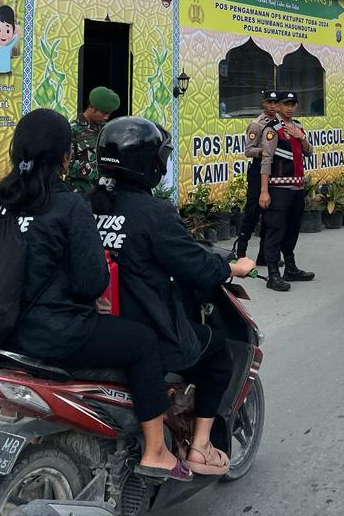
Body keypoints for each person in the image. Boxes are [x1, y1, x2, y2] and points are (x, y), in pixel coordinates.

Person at [0, 108, 192, 482]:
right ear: (65, 157)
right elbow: (92, 283)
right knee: (141, 341)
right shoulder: (68, 204)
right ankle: (157, 451)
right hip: (51, 334)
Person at [90, 117, 257, 477]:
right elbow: (194, 266)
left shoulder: (89, 205)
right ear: (150, 163)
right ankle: (200, 447)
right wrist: (231, 268)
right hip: (144, 332)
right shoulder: (153, 212)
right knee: (217, 353)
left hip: (95, 328)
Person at [256, 91, 313, 292]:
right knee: (275, 230)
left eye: (293, 104)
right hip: (278, 188)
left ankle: (290, 268)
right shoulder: (272, 130)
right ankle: (273, 274)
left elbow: (309, 151)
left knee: (292, 229)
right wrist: (264, 191)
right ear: (278, 106)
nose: (290, 107)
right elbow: (266, 160)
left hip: (297, 187)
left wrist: (301, 138)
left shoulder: (297, 127)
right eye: (286, 104)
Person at [233, 90, 278, 262]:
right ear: (263, 104)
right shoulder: (257, 124)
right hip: (257, 170)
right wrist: (266, 151)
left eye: (275, 103)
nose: (273, 106)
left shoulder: (279, 123)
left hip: (272, 170)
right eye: (269, 103)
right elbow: (248, 151)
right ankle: (241, 252)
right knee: (252, 212)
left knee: (270, 214)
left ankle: (264, 254)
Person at [68, 87, 120, 197]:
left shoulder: (108, 130)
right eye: (104, 113)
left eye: (109, 114)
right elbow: (66, 165)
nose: (106, 117)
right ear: (92, 107)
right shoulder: (72, 130)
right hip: (81, 194)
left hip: (106, 194)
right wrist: (95, 169)